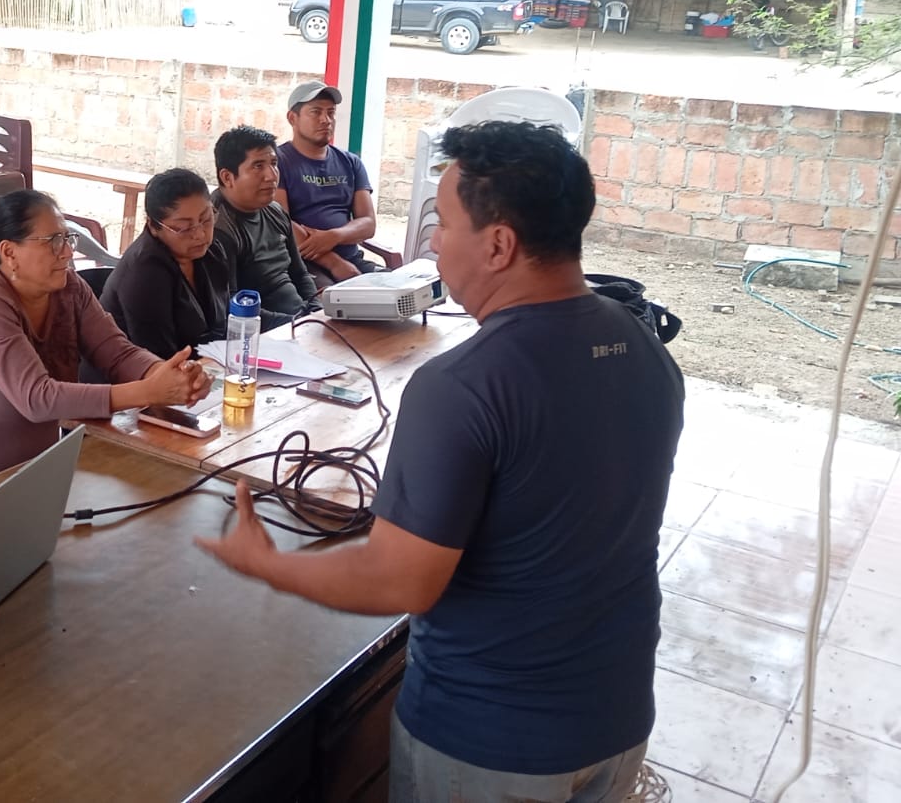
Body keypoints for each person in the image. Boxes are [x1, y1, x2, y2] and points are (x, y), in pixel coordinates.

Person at [196, 121, 684, 803]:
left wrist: (268, 563)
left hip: (491, 741)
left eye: (445, 224)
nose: (431, 243)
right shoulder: (641, 342)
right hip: (617, 713)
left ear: (499, 244)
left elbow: (399, 580)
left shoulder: (465, 385)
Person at [0, 189, 212, 507]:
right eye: (53, 241)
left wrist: (169, 374)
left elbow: (117, 352)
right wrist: (147, 391)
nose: (67, 253)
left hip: (34, 471)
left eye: (67, 239)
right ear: (9, 252)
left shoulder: (68, 287)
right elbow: (37, 399)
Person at [100, 168, 234, 359]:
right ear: (154, 226)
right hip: (142, 372)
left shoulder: (211, 251)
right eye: (184, 228)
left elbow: (227, 318)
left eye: (206, 219)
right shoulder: (144, 274)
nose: (199, 234)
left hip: (205, 363)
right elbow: (158, 357)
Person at [210, 125, 318, 327]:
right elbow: (231, 305)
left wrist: (317, 311)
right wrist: (297, 323)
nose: (272, 175)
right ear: (227, 177)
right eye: (258, 166)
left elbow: (300, 273)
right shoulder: (218, 228)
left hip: (300, 320)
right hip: (261, 331)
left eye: (274, 163)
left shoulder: (275, 211)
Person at [276, 81, 380, 286]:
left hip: (352, 259)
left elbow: (368, 223)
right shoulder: (278, 162)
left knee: (401, 292)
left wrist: (334, 236)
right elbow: (280, 223)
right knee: (336, 301)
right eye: (316, 112)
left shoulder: (351, 162)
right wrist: (334, 263)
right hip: (303, 263)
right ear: (292, 118)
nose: (326, 120)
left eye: (331, 113)